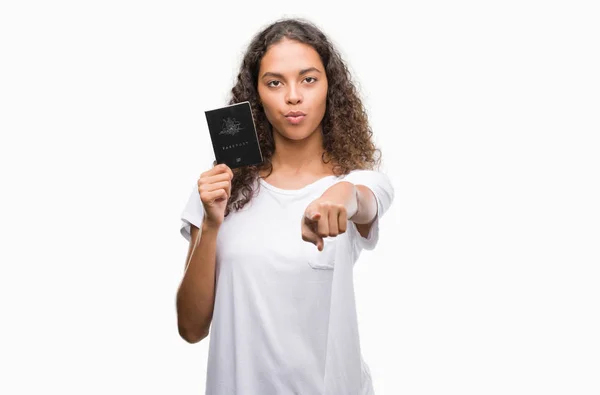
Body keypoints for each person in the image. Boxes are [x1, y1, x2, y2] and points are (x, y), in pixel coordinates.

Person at [176, 17, 395, 395]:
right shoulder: (221, 189)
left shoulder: (355, 182)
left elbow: (364, 199)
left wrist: (338, 197)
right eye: (275, 82)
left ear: (330, 87)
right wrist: (211, 223)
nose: (293, 96)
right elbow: (191, 328)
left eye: (308, 79)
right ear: (257, 94)